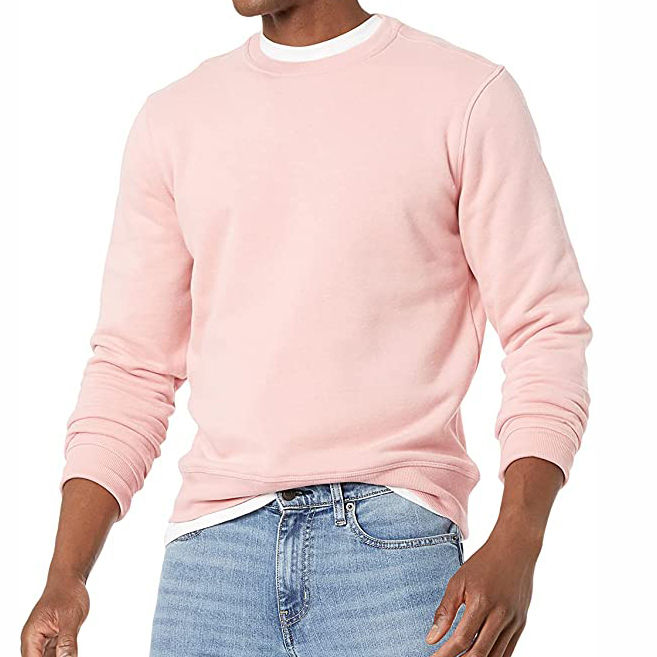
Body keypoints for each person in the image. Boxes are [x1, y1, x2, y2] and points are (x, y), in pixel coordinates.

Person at [21, 1, 591, 656]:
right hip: (212, 564)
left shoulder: (466, 96)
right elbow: (132, 366)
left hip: (393, 554)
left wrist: (518, 539)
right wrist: (66, 574)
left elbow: (545, 326)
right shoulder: (174, 119)